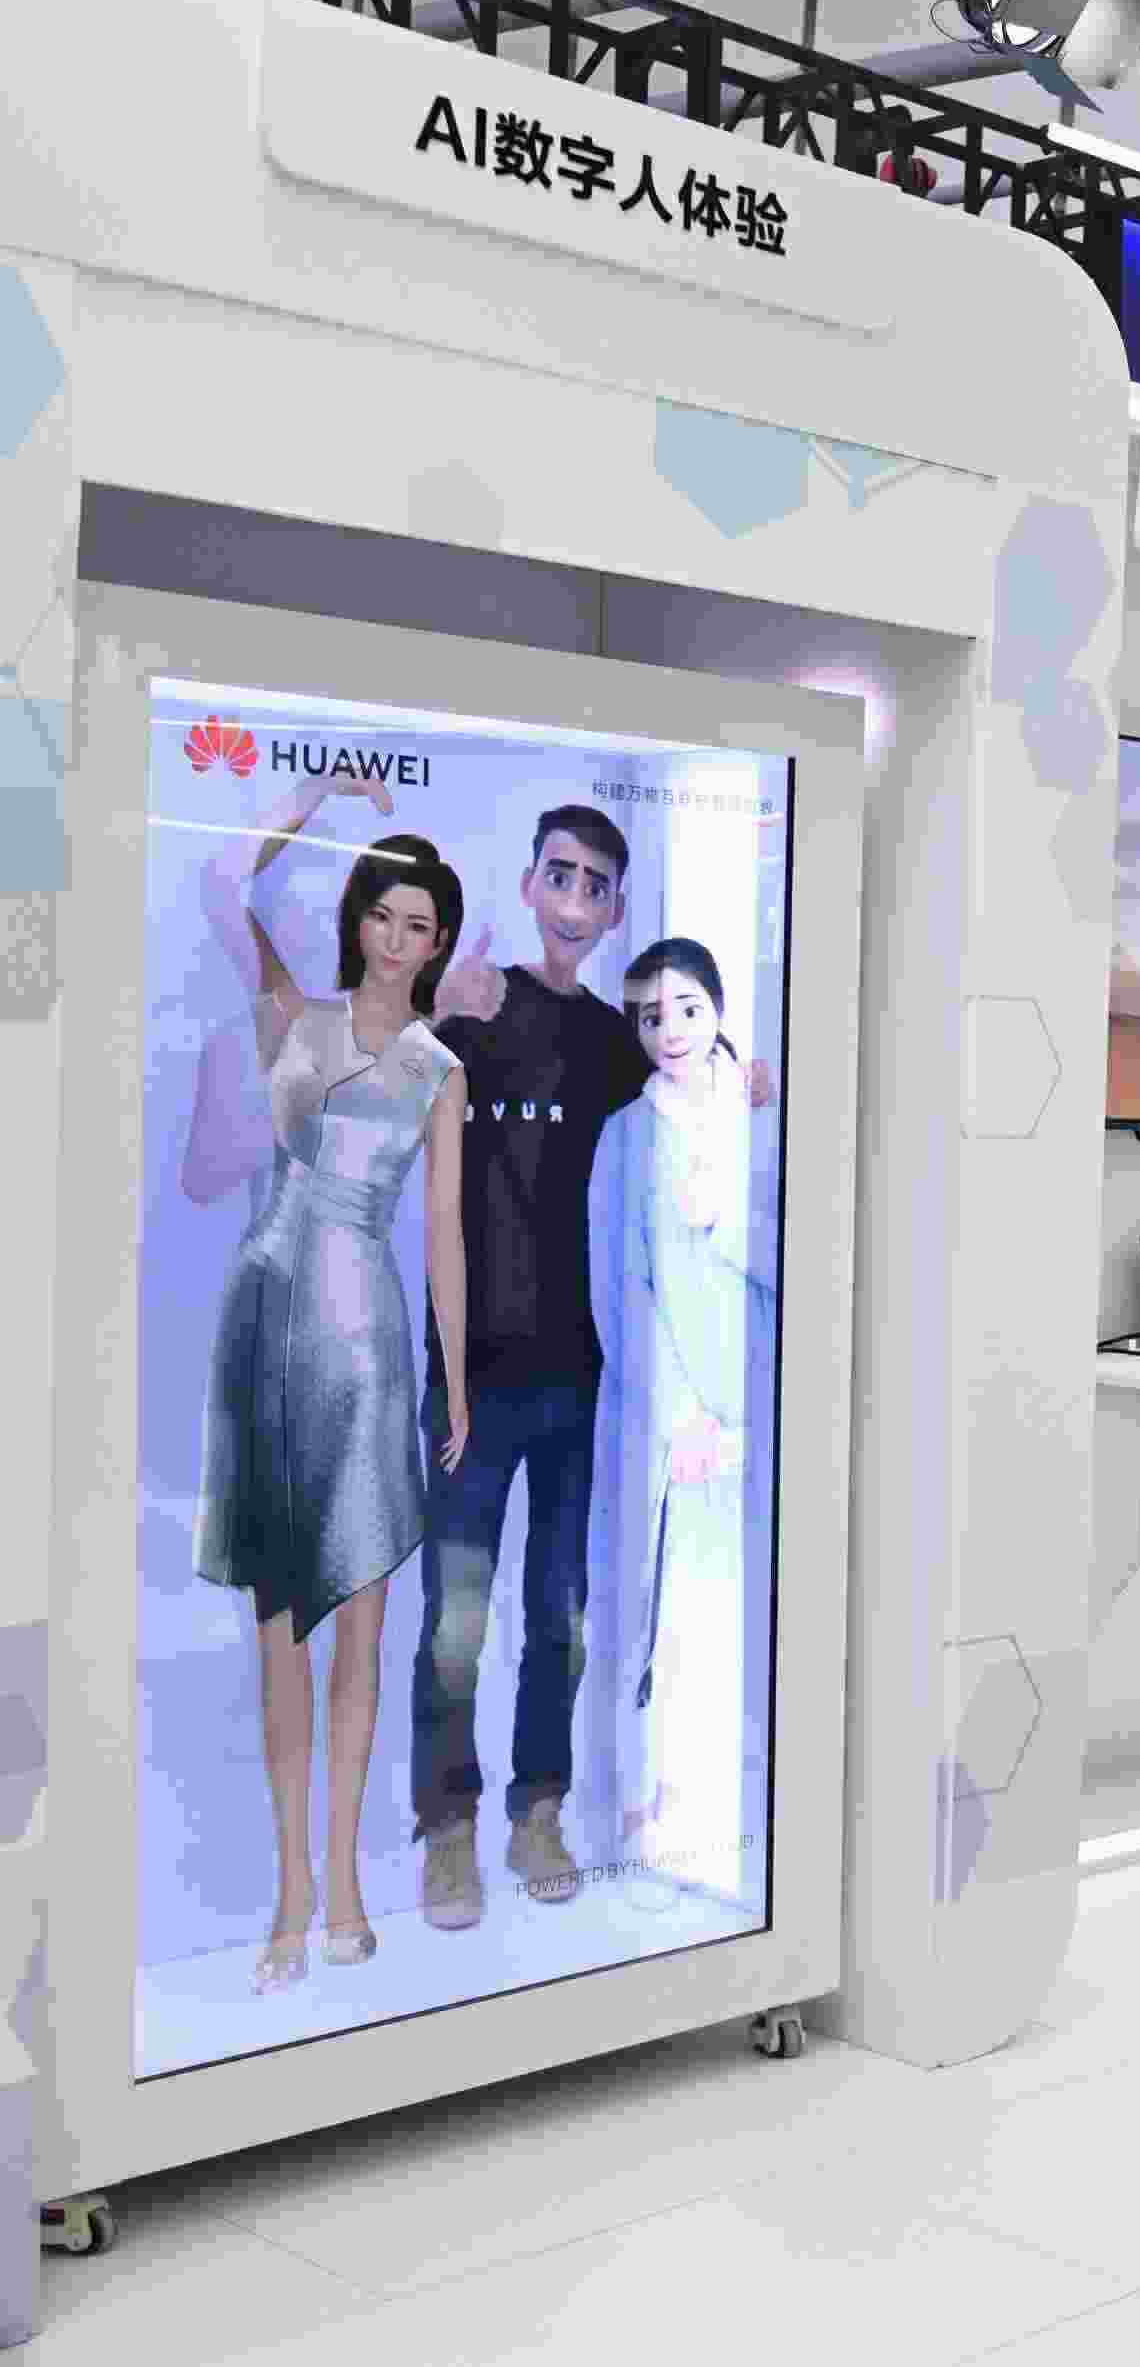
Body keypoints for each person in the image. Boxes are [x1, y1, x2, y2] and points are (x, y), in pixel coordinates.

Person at [412, 807, 771, 1931]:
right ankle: (447, 1832)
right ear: (529, 882)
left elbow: (690, 1071)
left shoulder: (618, 1042)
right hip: (470, 1377)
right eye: (559, 874)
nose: (575, 897)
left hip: (580, 1379)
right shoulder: (475, 1006)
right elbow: (375, 1073)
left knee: (558, 1613)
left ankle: (539, 1813)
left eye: (596, 883)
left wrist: (748, 1075)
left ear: (615, 907)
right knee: (456, 1619)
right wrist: (431, 1002)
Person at [194, 773, 472, 1991]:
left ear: (440, 944)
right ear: (359, 916)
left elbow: (445, 1234)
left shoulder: (438, 1070)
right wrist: (314, 792)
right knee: (279, 1631)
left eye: (422, 927)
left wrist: (455, 1382)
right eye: (385, 917)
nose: (399, 941)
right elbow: (226, 882)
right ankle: (291, 1892)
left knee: (361, 1618)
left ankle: (348, 1882)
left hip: (368, 1343)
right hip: (265, 1322)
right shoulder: (294, 1020)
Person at [609, 938, 776, 1893]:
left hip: (770, 1406)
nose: (669, 1031)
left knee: (762, 1612)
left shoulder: (764, 1117)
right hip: (682, 1426)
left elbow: (804, 1254)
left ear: (717, 1010)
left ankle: (749, 1805)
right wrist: (679, 1415)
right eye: (650, 1016)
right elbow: (620, 1288)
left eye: (687, 1009)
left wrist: (732, 1216)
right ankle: (667, 1804)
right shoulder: (626, 1139)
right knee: (674, 1615)